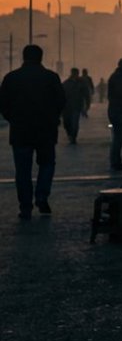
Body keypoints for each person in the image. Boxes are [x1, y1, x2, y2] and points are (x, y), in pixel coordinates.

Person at [0, 45, 66, 219]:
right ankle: (42, 196)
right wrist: (52, 117)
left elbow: (3, 105)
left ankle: (25, 206)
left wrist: (14, 119)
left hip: (21, 131)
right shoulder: (51, 77)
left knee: (22, 171)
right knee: (47, 164)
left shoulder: (11, 78)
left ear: (23, 57)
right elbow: (61, 101)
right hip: (46, 130)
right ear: (41, 57)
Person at [61, 68, 88, 145]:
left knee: (74, 123)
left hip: (76, 106)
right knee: (67, 123)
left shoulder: (81, 83)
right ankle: (70, 135)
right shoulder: (66, 83)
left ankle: (73, 137)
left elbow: (86, 95)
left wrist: (86, 106)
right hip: (67, 107)